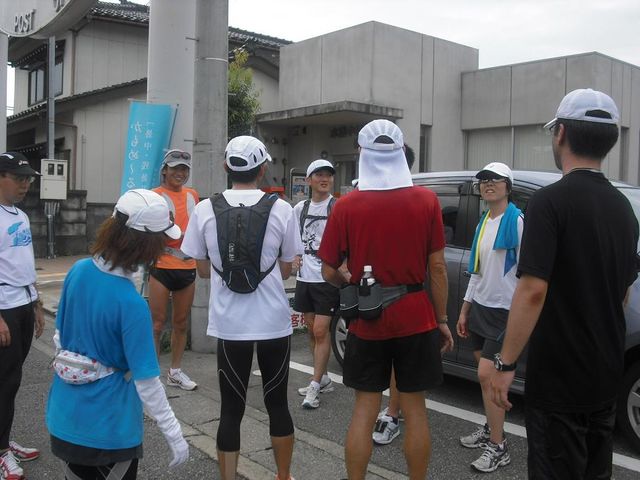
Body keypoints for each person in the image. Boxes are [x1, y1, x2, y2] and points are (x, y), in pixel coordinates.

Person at [491, 89, 639, 479]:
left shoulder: (549, 202)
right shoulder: (624, 208)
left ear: (561, 134)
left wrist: (505, 363)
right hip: (605, 374)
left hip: (558, 381)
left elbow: (533, 290)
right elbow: (623, 292)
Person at [319, 119, 454, 479]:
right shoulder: (426, 200)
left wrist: (350, 280)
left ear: (362, 153)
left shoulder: (347, 205)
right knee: (415, 410)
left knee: (364, 409)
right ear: (400, 153)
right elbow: (437, 268)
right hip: (416, 316)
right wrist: (441, 320)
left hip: (368, 317)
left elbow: (328, 269)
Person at [46, 189, 189, 479]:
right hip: (108, 430)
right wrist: (175, 435)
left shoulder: (78, 270)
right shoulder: (131, 304)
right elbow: (147, 381)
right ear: (145, 244)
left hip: (63, 418)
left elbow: (59, 337)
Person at [181, 136, 299, 480]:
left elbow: (203, 270)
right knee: (278, 403)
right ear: (262, 170)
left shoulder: (205, 209)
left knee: (231, 409)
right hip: (274, 321)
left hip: (230, 323)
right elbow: (287, 268)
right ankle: (283, 475)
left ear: (226, 167)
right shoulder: (282, 209)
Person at [456, 162, 523, 472]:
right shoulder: (483, 222)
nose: (488, 184)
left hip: (505, 311)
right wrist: (465, 309)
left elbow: (529, 271)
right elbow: (477, 271)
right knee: (484, 377)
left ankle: (499, 446)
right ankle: (491, 428)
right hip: (482, 307)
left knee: (488, 376)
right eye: (484, 180)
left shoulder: (518, 222)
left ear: (508, 186)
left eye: (496, 179)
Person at [0, 152, 44, 480]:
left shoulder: (21, 215)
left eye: (28, 178)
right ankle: (1, 451)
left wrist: (37, 303)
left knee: (12, 379)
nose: (26, 184)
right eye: (19, 178)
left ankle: (4, 439)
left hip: (24, 303)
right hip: (4, 307)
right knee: (4, 380)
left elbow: (25, 262)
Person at [150, 148, 199, 391]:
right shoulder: (154, 195)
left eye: (184, 169)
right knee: (157, 324)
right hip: (161, 265)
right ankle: (150, 375)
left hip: (188, 265)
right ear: (164, 170)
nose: (180, 173)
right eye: (175, 168)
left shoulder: (193, 195)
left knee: (181, 323)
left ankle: (175, 372)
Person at [294, 159, 340, 409]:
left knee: (321, 331)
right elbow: (292, 238)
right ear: (309, 180)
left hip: (327, 278)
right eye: (319, 175)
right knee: (312, 330)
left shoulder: (337, 207)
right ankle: (322, 379)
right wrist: (293, 257)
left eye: (328, 175)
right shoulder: (300, 208)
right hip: (304, 277)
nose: (324, 179)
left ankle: (314, 386)